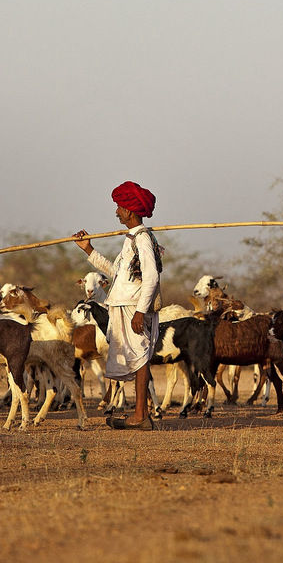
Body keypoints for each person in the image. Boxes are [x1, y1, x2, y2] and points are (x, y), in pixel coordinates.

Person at [72, 181, 162, 430]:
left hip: (134, 307)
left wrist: (141, 312)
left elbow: (152, 277)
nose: (117, 212)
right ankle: (140, 415)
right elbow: (117, 273)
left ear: (131, 211)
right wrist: (88, 250)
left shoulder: (142, 239)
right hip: (125, 305)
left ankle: (140, 415)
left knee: (141, 357)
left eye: (120, 207)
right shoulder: (132, 239)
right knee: (137, 357)